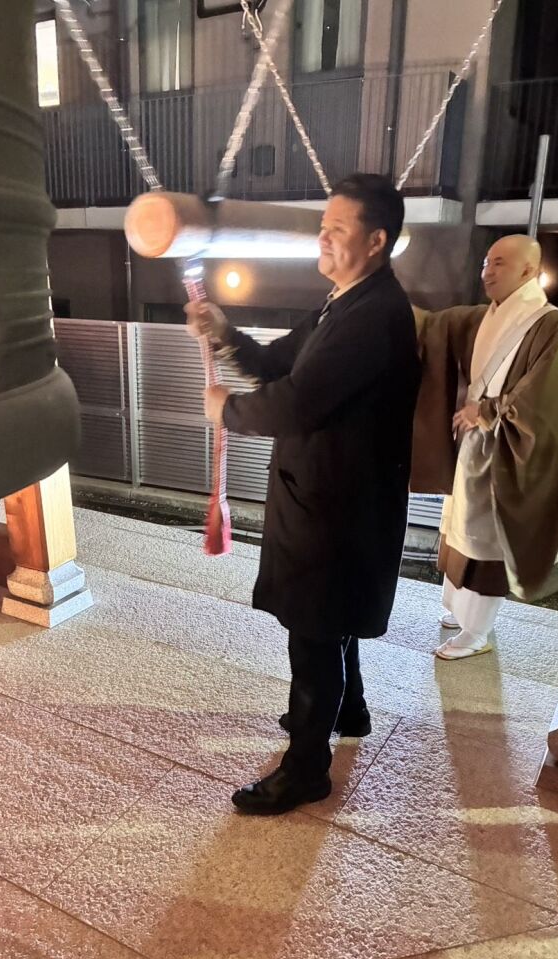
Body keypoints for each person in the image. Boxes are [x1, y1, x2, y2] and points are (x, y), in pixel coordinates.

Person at [186, 173, 421, 815]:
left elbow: (296, 402)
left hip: (338, 505)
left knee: (314, 631)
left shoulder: (373, 316)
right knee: (331, 613)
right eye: (323, 226)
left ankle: (306, 768)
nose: (322, 237)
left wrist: (226, 409)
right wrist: (224, 332)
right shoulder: (343, 303)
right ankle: (351, 710)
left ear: (376, 240)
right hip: (330, 494)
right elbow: (277, 363)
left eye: (336, 228)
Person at [412, 235, 558, 661]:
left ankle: (477, 631)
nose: (487, 272)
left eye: (499, 263)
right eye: (486, 263)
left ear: (529, 270)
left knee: (486, 541)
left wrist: (488, 410)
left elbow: (547, 394)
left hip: (505, 450)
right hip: (474, 446)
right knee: (460, 528)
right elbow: (434, 327)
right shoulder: (483, 316)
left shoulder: (550, 323)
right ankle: (460, 611)